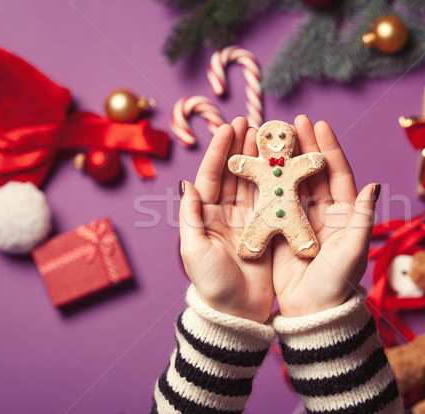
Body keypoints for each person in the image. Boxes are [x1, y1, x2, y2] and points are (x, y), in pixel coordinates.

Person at [151, 115, 404, 413]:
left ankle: (292, 243)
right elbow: (240, 165)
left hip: (294, 217)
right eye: (271, 138)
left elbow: (311, 163)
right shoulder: (261, 166)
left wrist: (321, 314)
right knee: (255, 235)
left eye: (282, 138)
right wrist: (226, 313)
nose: (277, 143)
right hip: (262, 217)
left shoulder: (293, 166)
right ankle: (255, 243)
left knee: (299, 234)